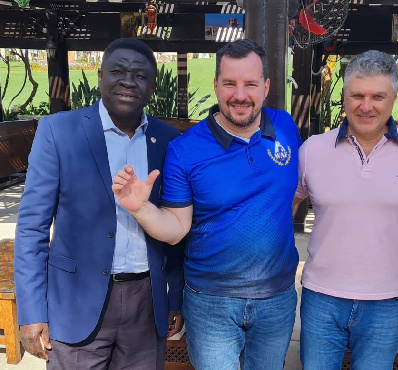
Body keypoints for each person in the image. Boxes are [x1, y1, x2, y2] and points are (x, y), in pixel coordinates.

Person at [111, 39, 302, 370]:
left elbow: (297, 191)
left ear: (267, 86)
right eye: (229, 83)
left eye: (250, 84)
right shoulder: (186, 149)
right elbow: (176, 229)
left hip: (277, 297)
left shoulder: (285, 126)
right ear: (216, 85)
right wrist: (139, 208)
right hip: (212, 302)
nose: (240, 95)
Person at [14, 38, 184, 369]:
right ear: (100, 75)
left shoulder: (166, 140)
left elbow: (174, 225)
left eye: (139, 75)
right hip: (76, 303)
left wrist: (173, 296)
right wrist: (32, 311)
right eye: (118, 71)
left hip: (146, 305)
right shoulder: (59, 131)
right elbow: (32, 227)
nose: (127, 81)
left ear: (152, 87)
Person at [293, 50, 398, 369]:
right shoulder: (312, 150)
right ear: (344, 96)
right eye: (357, 94)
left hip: (387, 300)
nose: (366, 105)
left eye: (378, 96)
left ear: (394, 97)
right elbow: (283, 208)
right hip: (321, 297)